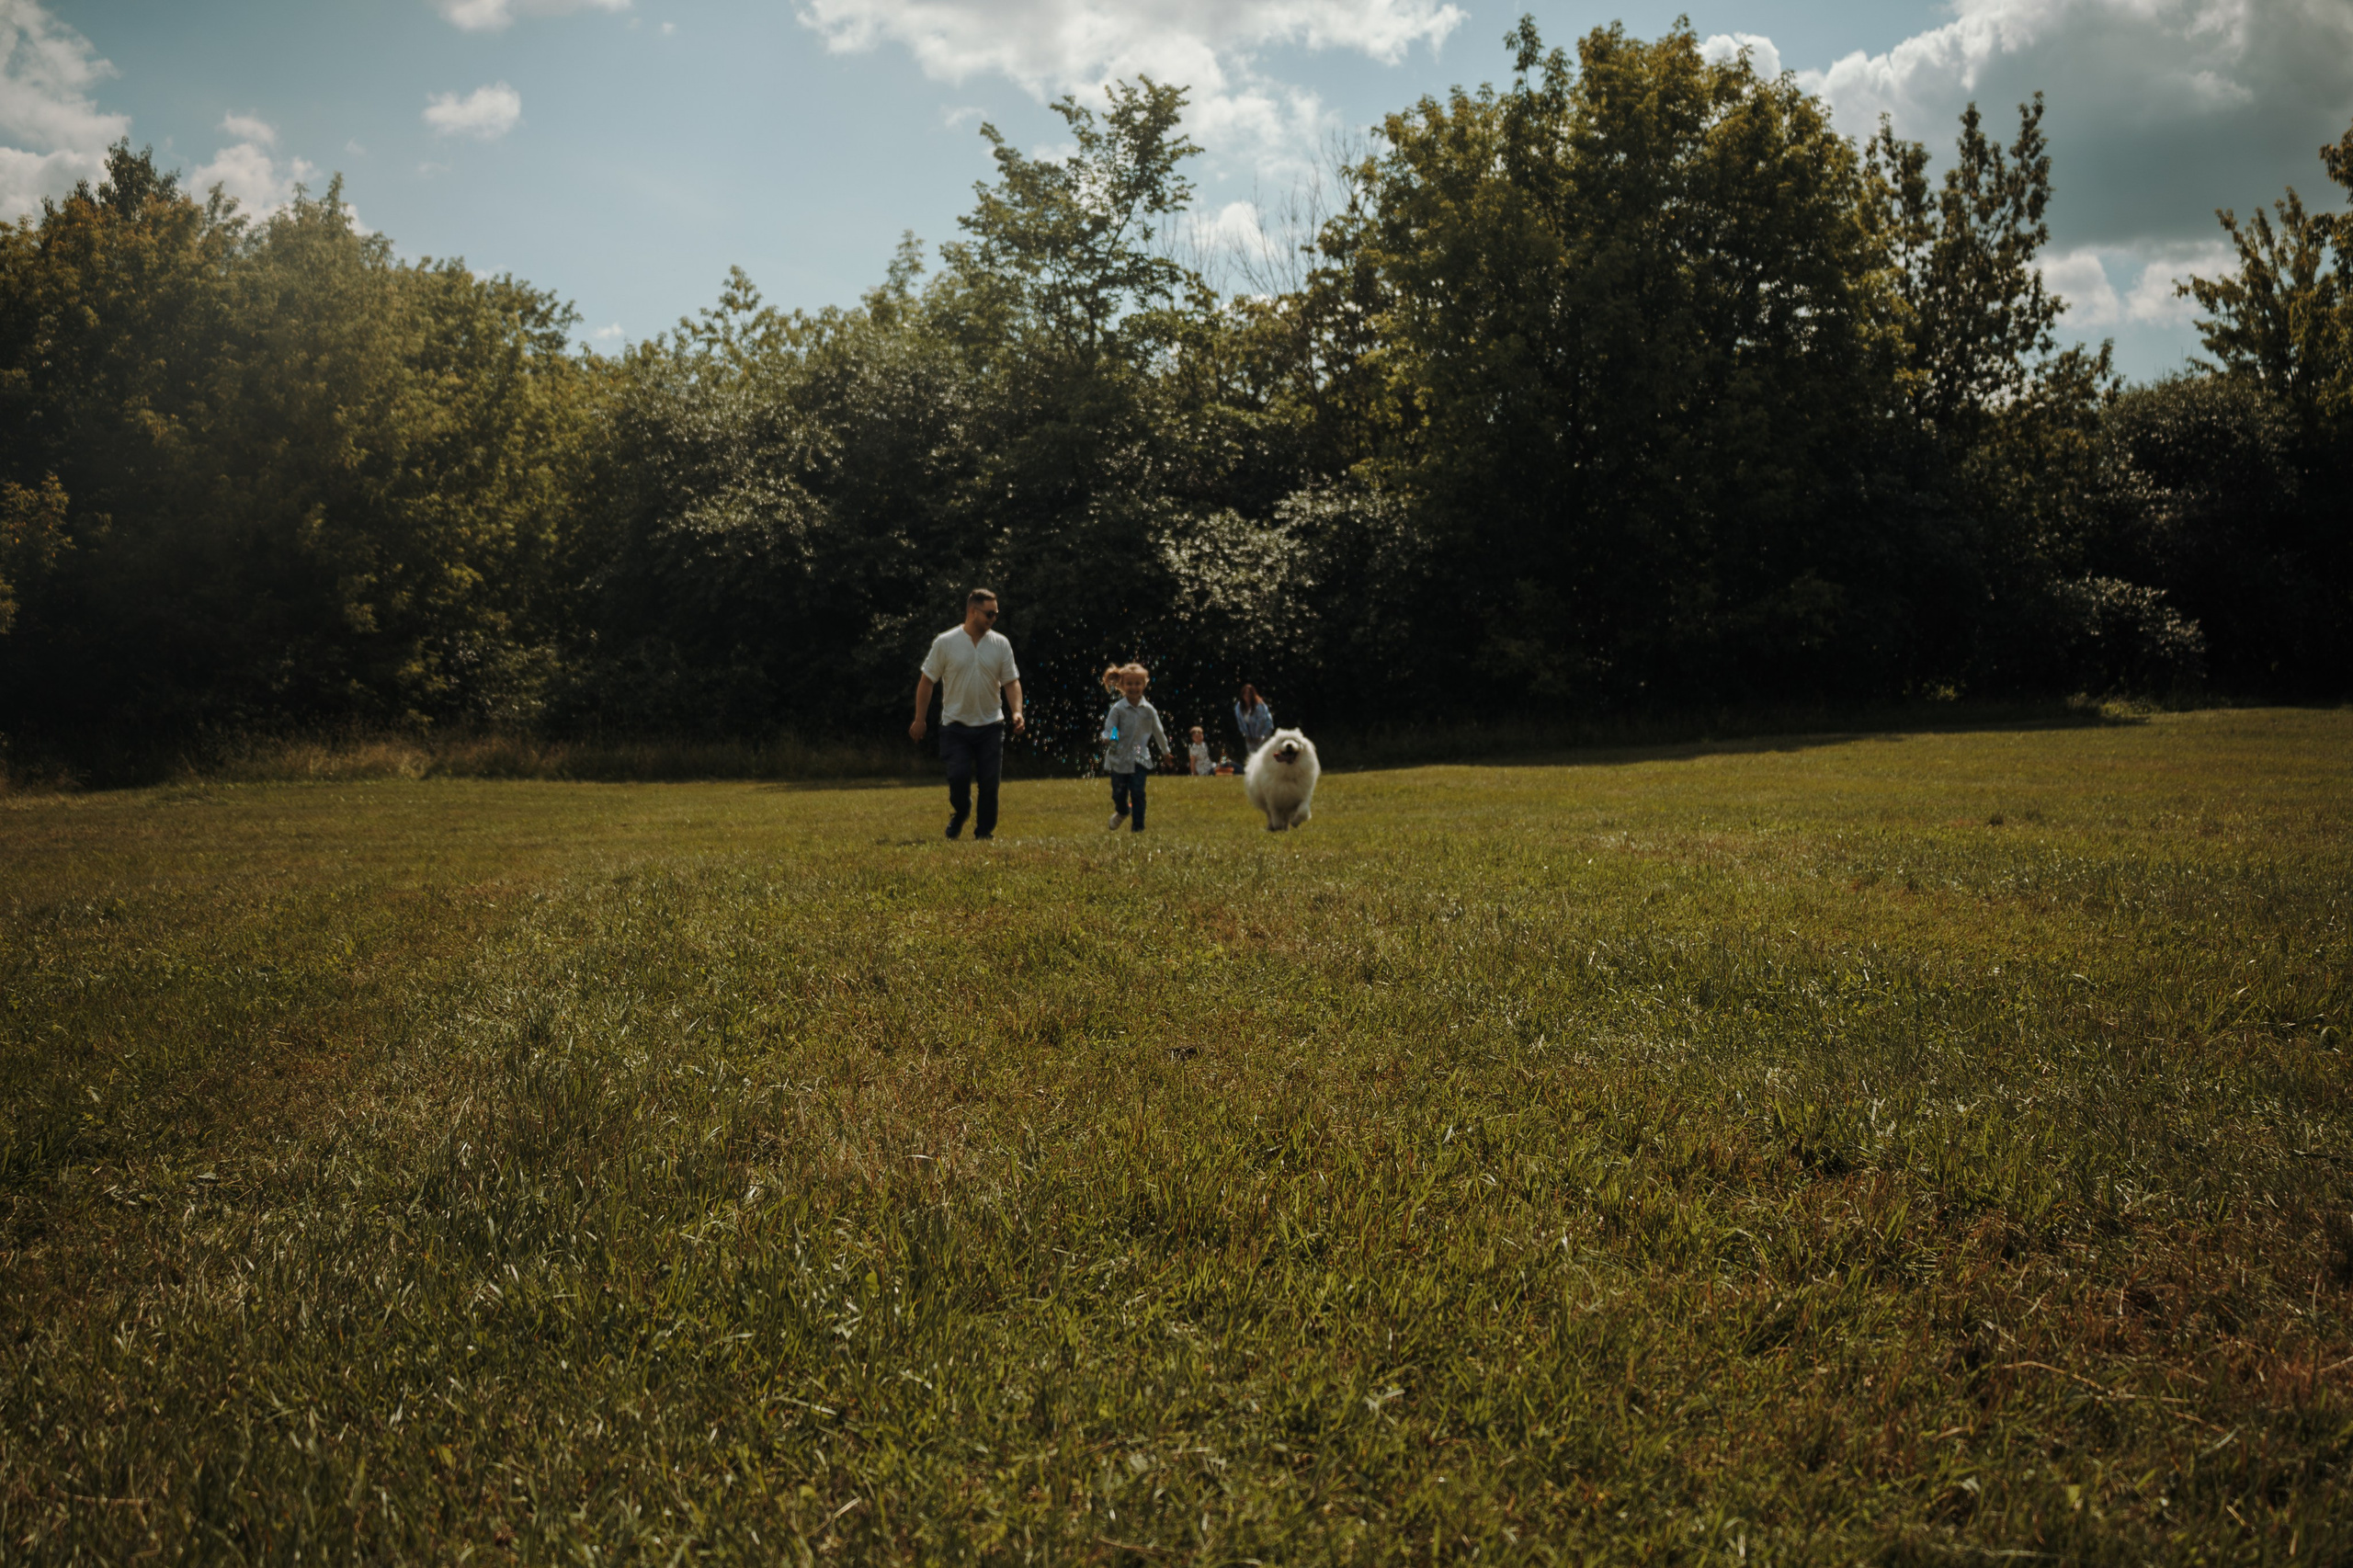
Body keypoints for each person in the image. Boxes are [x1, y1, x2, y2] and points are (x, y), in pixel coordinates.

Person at [911, 588, 1024, 839]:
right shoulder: (945, 642)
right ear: (973, 611)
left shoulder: (1000, 643)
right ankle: (961, 812)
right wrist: (920, 719)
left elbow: (1011, 682)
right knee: (958, 777)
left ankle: (984, 833)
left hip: (991, 725)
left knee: (989, 783)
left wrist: (1017, 712)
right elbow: (927, 680)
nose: (994, 618)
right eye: (989, 614)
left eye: (996, 614)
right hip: (955, 726)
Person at [1100, 663, 1170, 833]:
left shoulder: (1149, 710)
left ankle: (1138, 828)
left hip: (1140, 757)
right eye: (1129, 683)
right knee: (1118, 794)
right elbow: (1111, 730)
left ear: (1144, 684)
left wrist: (1165, 752)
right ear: (1122, 685)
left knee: (1138, 792)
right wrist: (1108, 739)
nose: (1133, 687)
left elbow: (1158, 731)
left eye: (1137, 683)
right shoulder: (1118, 709)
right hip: (1119, 758)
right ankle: (1123, 811)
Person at [1233, 683, 1274, 756]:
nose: (1247, 696)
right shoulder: (1239, 707)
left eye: (1249, 694)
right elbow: (1240, 722)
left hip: (1264, 730)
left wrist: (1258, 736)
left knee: (1261, 752)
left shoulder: (1259, 705)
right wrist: (1246, 735)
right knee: (1251, 752)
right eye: (1245, 694)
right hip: (1250, 730)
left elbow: (1261, 721)